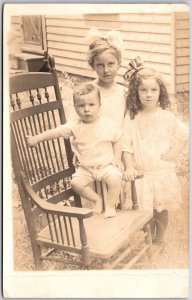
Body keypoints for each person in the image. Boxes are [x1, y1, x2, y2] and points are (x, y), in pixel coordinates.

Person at [26, 83, 122, 219]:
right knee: (75, 184)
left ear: (100, 104)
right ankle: (97, 199)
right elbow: (56, 132)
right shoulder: (75, 125)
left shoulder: (107, 124)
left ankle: (111, 205)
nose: (86, 110)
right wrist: (37, 138)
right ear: (75, 107)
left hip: (106, 165)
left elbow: (117, 138)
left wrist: (117, 158)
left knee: (115, 179)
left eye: (91, 105)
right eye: (81, 106)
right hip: (86, 168)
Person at [122, 57, 188, 245]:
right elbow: (126, 145)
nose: (149, 95)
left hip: (160, 171)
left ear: (161, 92)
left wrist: (174, 153)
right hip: (142, 173)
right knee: (146, 210)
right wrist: (128, 167)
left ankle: (161, 238)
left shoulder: (166, 117)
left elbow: (184, 134)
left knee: (161, 208)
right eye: (143, 90)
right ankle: (149, 239)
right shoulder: (132, 118)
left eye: (154, 90)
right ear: (136, 93)